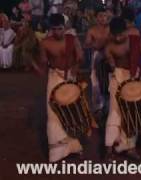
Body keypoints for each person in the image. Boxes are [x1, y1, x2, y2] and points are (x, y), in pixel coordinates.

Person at [38, 14, 84, 162]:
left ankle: (73, 146)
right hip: (54, 77)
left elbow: (80, 56)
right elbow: (44, 63)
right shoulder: (45, 43)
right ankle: (57, 151)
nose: (58, 32)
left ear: (65, 28)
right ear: (50, 29)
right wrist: (38, 65)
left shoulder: (72, 39)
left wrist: (75, 68)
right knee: (53, 111)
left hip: (70, 76)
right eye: (54, 29)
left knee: (71, 111)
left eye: (60, 29)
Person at [104, 17, 141, 161]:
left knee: (132, 113)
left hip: (134, 78)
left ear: (126, 31)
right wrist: (115, 70)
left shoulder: (135, 41)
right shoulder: (109, 47)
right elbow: (111, 65)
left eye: (120, 34)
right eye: (114, 35)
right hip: (117, 77)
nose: (117, 37)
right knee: (114, 111)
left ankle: (130, 147)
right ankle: (109, 147)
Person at [85, 8, 112, 119]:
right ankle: (98, 108)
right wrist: (96, 44)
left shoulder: (111, 29)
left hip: (110, 56)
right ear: (96, 18)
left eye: (105, 16)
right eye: (100, 16)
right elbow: (86, 45)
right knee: (95, 81)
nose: (103, 18)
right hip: (96, 56)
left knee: (110, 81)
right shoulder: (92, 30)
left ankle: (110, 107)